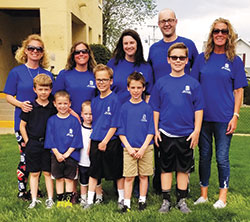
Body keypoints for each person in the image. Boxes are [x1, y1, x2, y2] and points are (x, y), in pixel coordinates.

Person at [191, 18, 248, 209]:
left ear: (229, 35)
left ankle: (222, 197)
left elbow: (239, 91)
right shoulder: (202, 58)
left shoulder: (235, 61)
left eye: (224, 31)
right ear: (212, 34)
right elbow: (193, 86)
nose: (220, 34)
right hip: (203, 118)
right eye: (216, 31)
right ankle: (204, 195)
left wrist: (235, 115)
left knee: (222, 158)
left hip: (224, 118)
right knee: (204, 156)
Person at [148, 8, 198, 194]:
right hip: (160, 107)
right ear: (159, 24)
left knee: (183, 153)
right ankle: (162, 189)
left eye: (170, 20)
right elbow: (150, 77)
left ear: (176, 21)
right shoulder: (154, 49)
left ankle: (182, 191)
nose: (166, 24)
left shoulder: (188, 45)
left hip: (183, 108)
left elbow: (197, 73)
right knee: (162, 150)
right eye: (162, 21)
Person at [149, 43, 204, 213]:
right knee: (165, 168)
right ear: (168, 60)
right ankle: (166, 200)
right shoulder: (161, 83)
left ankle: (182, 200)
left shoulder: (193, 84)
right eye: (174, 57)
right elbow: (155, 108)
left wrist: (196, 131)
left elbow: (199, 109)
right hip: (165, 132)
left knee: (183, 168)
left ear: (187, 60)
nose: (178, 60)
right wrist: (156, 130)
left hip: (186, 134)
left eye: (181, 57)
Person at [3, 34, 53, 200]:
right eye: (31, 48)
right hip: (23, 123)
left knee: (41, 159)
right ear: (25, 50)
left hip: (43, 125)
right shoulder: (16, 72)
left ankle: (36, 190)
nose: (35, 51)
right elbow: (8, 95)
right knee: (26, 157)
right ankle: (22, 190)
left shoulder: (47, 73)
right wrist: (20, 104)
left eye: (38, 49)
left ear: (42, 52)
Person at [84, 64, 124, 209]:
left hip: (111, 141)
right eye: (98, 80)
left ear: (111, 81)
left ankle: (121, 199)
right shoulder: (94, 101)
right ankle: (89, 201)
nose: (101, 83)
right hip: (96, 140)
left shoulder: (115, 99)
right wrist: (91, 143)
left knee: (117, 172)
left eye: (104, 80)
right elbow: (95, 124)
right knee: (94, 172)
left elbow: (115, 124)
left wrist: (105, 141)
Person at [118, 72, 154, 212]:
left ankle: (142, 200)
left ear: (143, 88)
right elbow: (121, 131)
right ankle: (126, 203)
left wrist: (143, 148)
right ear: (128, 88)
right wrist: (130, 148)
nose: (136, 91)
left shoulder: (147, 108)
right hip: (129, 148)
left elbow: (151, 131)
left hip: (145, 148)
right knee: (129, 176)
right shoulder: (124, 108)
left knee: (143, 175)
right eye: (133, 88)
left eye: (139, 88)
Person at [19, 74, 56, 209]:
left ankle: (50, 199)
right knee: (34, 173)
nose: (43, 92)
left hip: (48, 144)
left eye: (46, 89)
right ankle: (34, 199)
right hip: (33, 143)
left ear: (51, 89)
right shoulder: (29, 106)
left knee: (47, 172)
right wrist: (28, 141)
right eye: (40, 89)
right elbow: (22, 125)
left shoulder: (53, 107)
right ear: (35, 89)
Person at [44, 90, 83, 206]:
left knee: (69, 178)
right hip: (56, 155)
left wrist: (67, 154)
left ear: (70, 104)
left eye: (65, 103)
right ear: (55, 104)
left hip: (71, 155)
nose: (62, 106)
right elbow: (50, 139)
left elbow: (77, 139)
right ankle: (61, 200)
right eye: (59, 103)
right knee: (59, 178)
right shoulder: (51, 121)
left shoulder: (74, 121)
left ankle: (68, 200)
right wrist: (57, 154)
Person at [107, 29, 153, 104]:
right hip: (115, 112)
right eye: (125, 43)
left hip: (137, 113)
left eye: (132, 43)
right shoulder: (113, 64)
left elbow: (148, 95)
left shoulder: (146, 67)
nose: (129, 46)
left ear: (137, 44)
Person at [53, 42, 97, 116]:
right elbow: (56, 98)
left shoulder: (95, 74)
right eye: (77, 52)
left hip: (90, 121)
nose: (81, 54)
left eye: (84, 51)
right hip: (69, 119)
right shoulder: (64, 74)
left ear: (89, 54)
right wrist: (73, 114)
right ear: (73, 56)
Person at [78, 101, 103, 207]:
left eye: (91, 114)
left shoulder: (96, 128)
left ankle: (99, 197)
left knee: (96, 178)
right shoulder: (79, 128)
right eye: (86, 114)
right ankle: (83, 198)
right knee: (83, 179)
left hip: (94, 159)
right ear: (81, 114)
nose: (88, 117)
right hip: (82, 159)